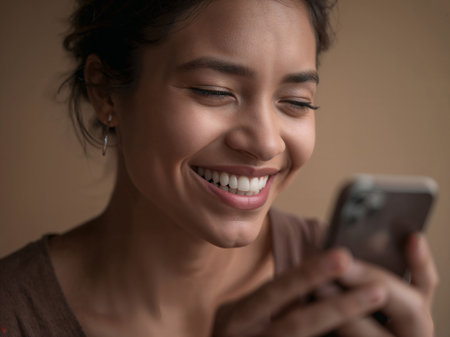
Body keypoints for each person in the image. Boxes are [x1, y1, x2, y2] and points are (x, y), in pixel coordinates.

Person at [0, 0, 438, 336]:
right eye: (215, 91)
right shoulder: (15, 312)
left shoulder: (343, 293)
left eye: (296, 102)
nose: (267, 142)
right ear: (106, 93)